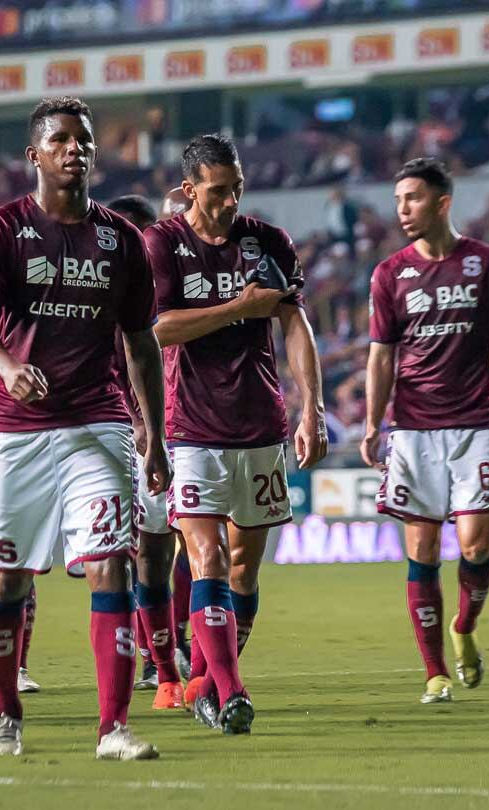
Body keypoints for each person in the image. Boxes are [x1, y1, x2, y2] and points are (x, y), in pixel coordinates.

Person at [0, 96, 169, 760]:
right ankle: (4, 711)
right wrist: (6, 367)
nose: (74, 149)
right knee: (8, 579)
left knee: (111, 567)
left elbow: (141, 344)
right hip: (15, 429)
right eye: (60, 140)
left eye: (83, 140)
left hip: (98, 423)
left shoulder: (121, 240)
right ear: (34, 155)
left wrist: (155, 434)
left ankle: (113, 727)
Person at [146, 134, 328, 734]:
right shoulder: (162, 243)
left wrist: (312, 409)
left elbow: (293, 323)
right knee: (208, 557)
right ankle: (232, 690)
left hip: (260, 426)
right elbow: (158, 329)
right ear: (189, 189)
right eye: (218, 191)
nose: (229, 202)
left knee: (245, 569)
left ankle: (204, 683)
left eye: (237, 189)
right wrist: (238, 309)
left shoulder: (267, 242)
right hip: (191, 430)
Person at [361, 157, 489, 705]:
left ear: (443, 202)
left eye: (413, 199)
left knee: (475, 543)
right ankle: (434, 672)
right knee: (421, 549)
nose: (403, 210)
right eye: (398, 201)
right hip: (413, 428)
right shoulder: (389, 273)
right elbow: (381, 355)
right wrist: (372, 422)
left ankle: (464, 626)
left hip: (475, 423)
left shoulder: (487, 263)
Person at [105, 194, 184, 711]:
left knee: (197, 549)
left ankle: (182, 652)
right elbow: (116, 369)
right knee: (146, 554)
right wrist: (138, 422)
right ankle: (160, 664)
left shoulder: (182, 287)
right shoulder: (110, 301)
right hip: (136, 438)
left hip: (195, 431)